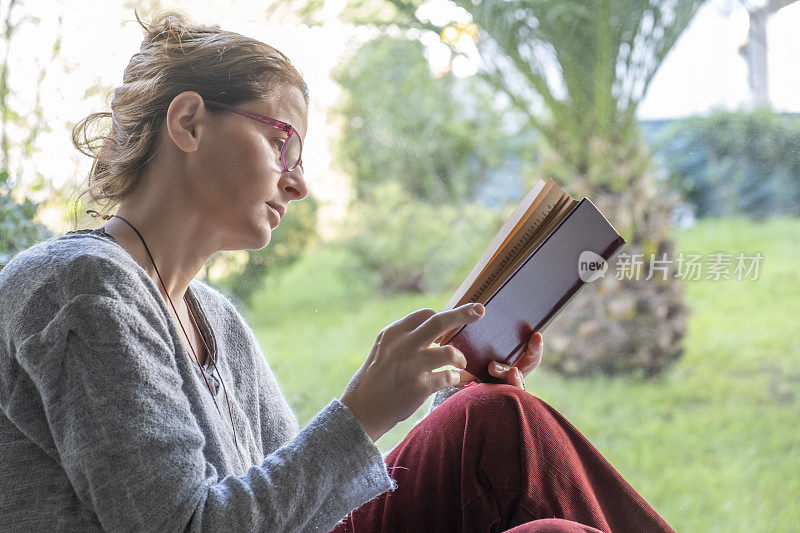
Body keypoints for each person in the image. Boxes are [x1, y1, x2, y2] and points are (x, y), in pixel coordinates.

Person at [0, 12, 673, 533]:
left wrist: (437, 396)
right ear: (188, 122)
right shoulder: (80, 289)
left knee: (491, 416)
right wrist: (359, 412)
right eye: (280, 140)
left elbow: (301, 508)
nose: (298, 184)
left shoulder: (218, 321)